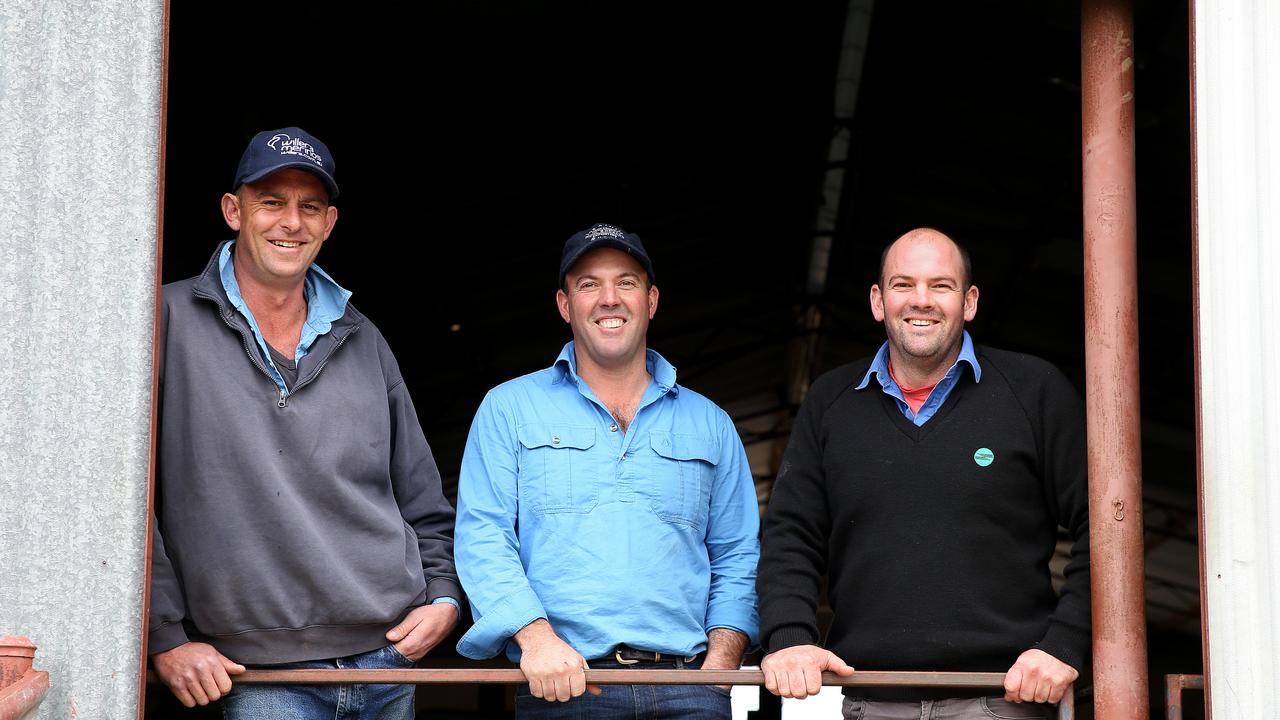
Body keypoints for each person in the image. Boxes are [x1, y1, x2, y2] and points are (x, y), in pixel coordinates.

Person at [148, 127, 462, 719]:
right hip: (255, 673)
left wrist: (444, 595)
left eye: (309, 207)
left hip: (387, 659)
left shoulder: (363, 337)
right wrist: (164, 634)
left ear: (329, 223)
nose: (291, 222)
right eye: (272, 202)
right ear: (233, 211)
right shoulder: (164, 322)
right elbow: (123, 499)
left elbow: (421, 494)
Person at [757, 227, 1090, 719]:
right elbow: (791, 534)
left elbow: (1106, 526)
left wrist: (1065, 643)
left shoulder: (1035, 391)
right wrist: (788, 637)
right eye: (902, 285)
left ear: (969, 301)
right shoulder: (830, 402)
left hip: (1005, 698)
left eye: (941, 285)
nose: (921, 301)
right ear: (877, 301)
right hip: (871, 701)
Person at [453, 223, 760, 718]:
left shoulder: (712, 423)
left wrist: (720, 668)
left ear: (652, 299)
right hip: (565, 684)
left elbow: (738, 554)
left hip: (690, 688)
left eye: (627, 282)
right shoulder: (508, 408)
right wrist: (537, 640)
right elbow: (482, 536)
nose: (609, 298)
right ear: (564, 304)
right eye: (589, 284)